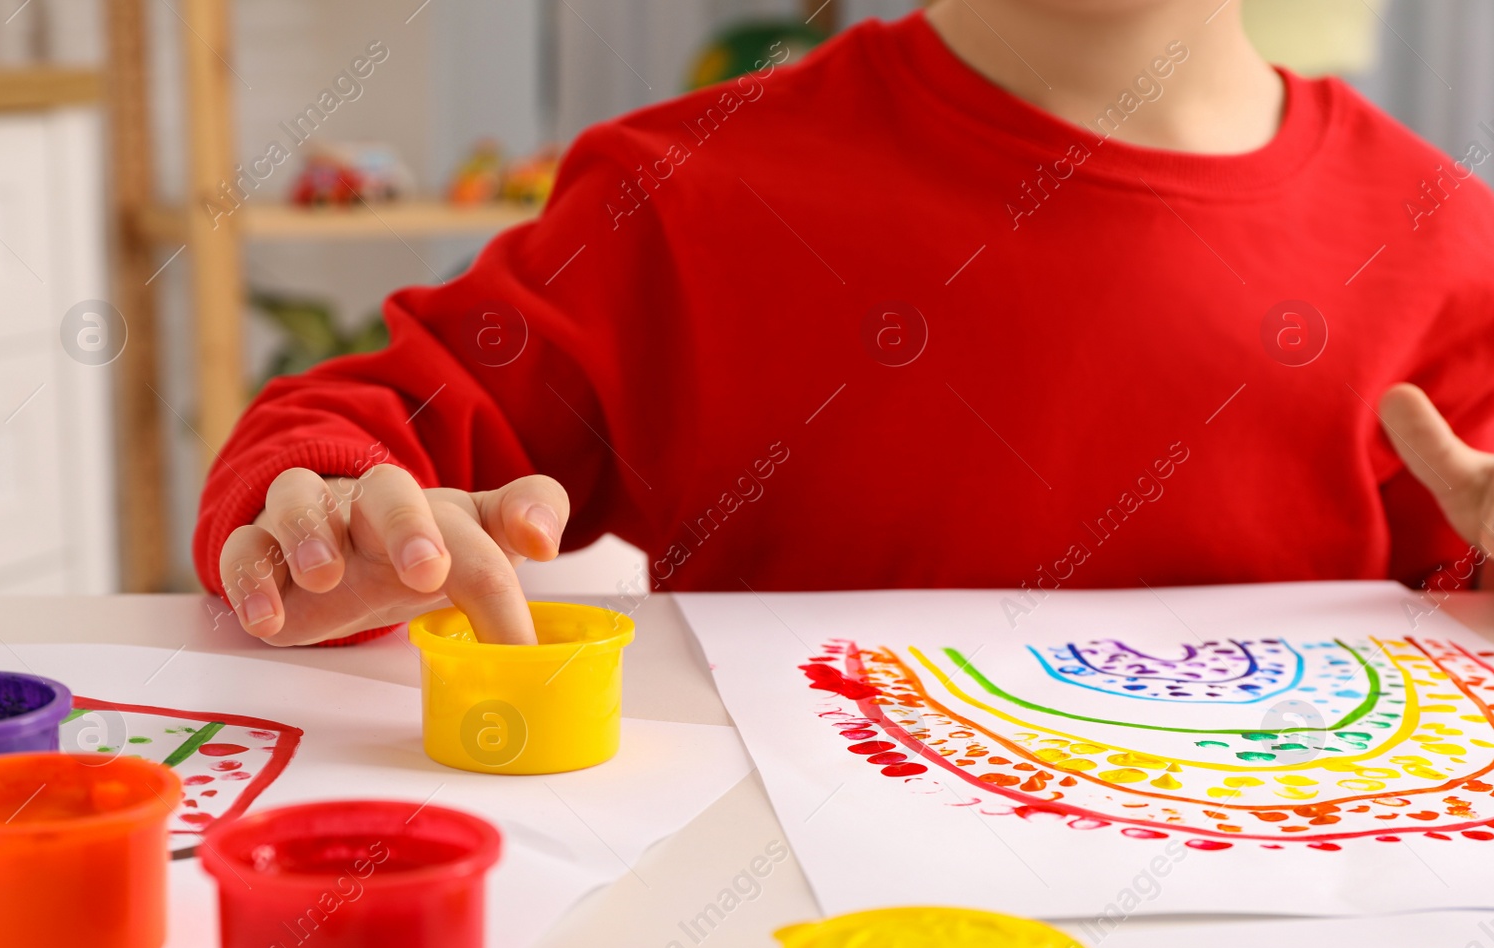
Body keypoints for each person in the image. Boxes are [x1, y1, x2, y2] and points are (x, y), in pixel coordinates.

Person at [195, 0, 1494, 647]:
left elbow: (1460, 609)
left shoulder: (1445, 235)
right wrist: (337, 517)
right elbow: (350, 431)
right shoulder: (685, 193)